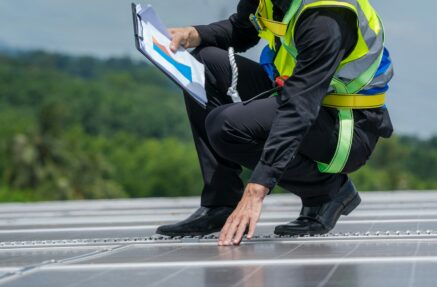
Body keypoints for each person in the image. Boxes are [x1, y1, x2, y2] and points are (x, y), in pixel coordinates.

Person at [156, 0, 394, 246]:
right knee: (204, 65)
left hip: (346, 126)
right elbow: (243, 30)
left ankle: (327, 192)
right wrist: (193, 34)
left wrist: (257, 188)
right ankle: (220, 203)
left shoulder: (327, 16)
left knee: (224, 126)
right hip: (299, 98)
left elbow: (298, 109)